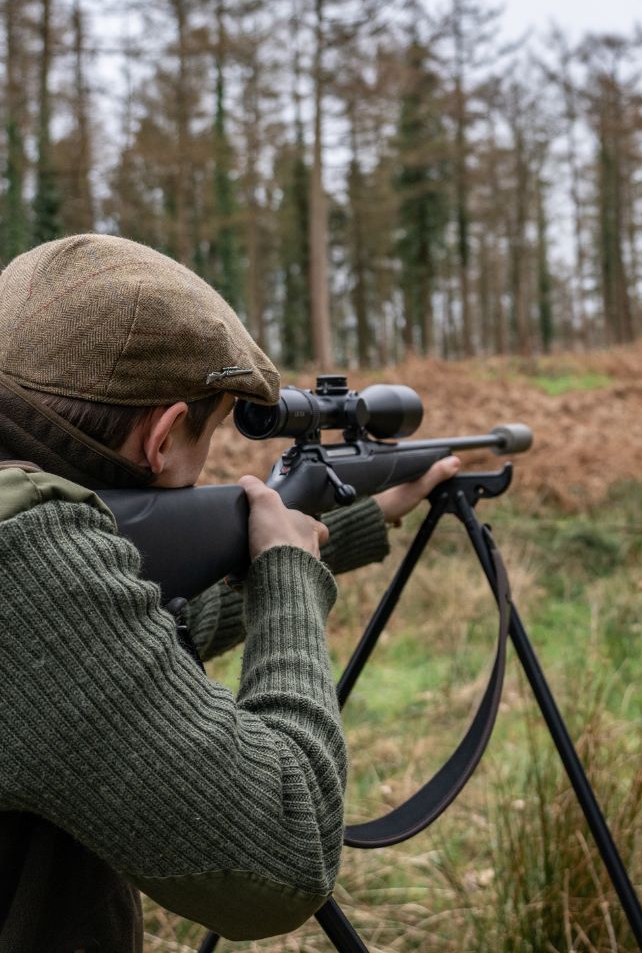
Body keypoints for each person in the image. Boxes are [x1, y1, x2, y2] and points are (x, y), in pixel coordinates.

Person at [0, 233, 459, 951]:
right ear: (163, 436)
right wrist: (287, 576)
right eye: (209, 436)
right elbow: (283, 853)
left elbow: (116, 648)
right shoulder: (26, 556)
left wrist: (355, 520)